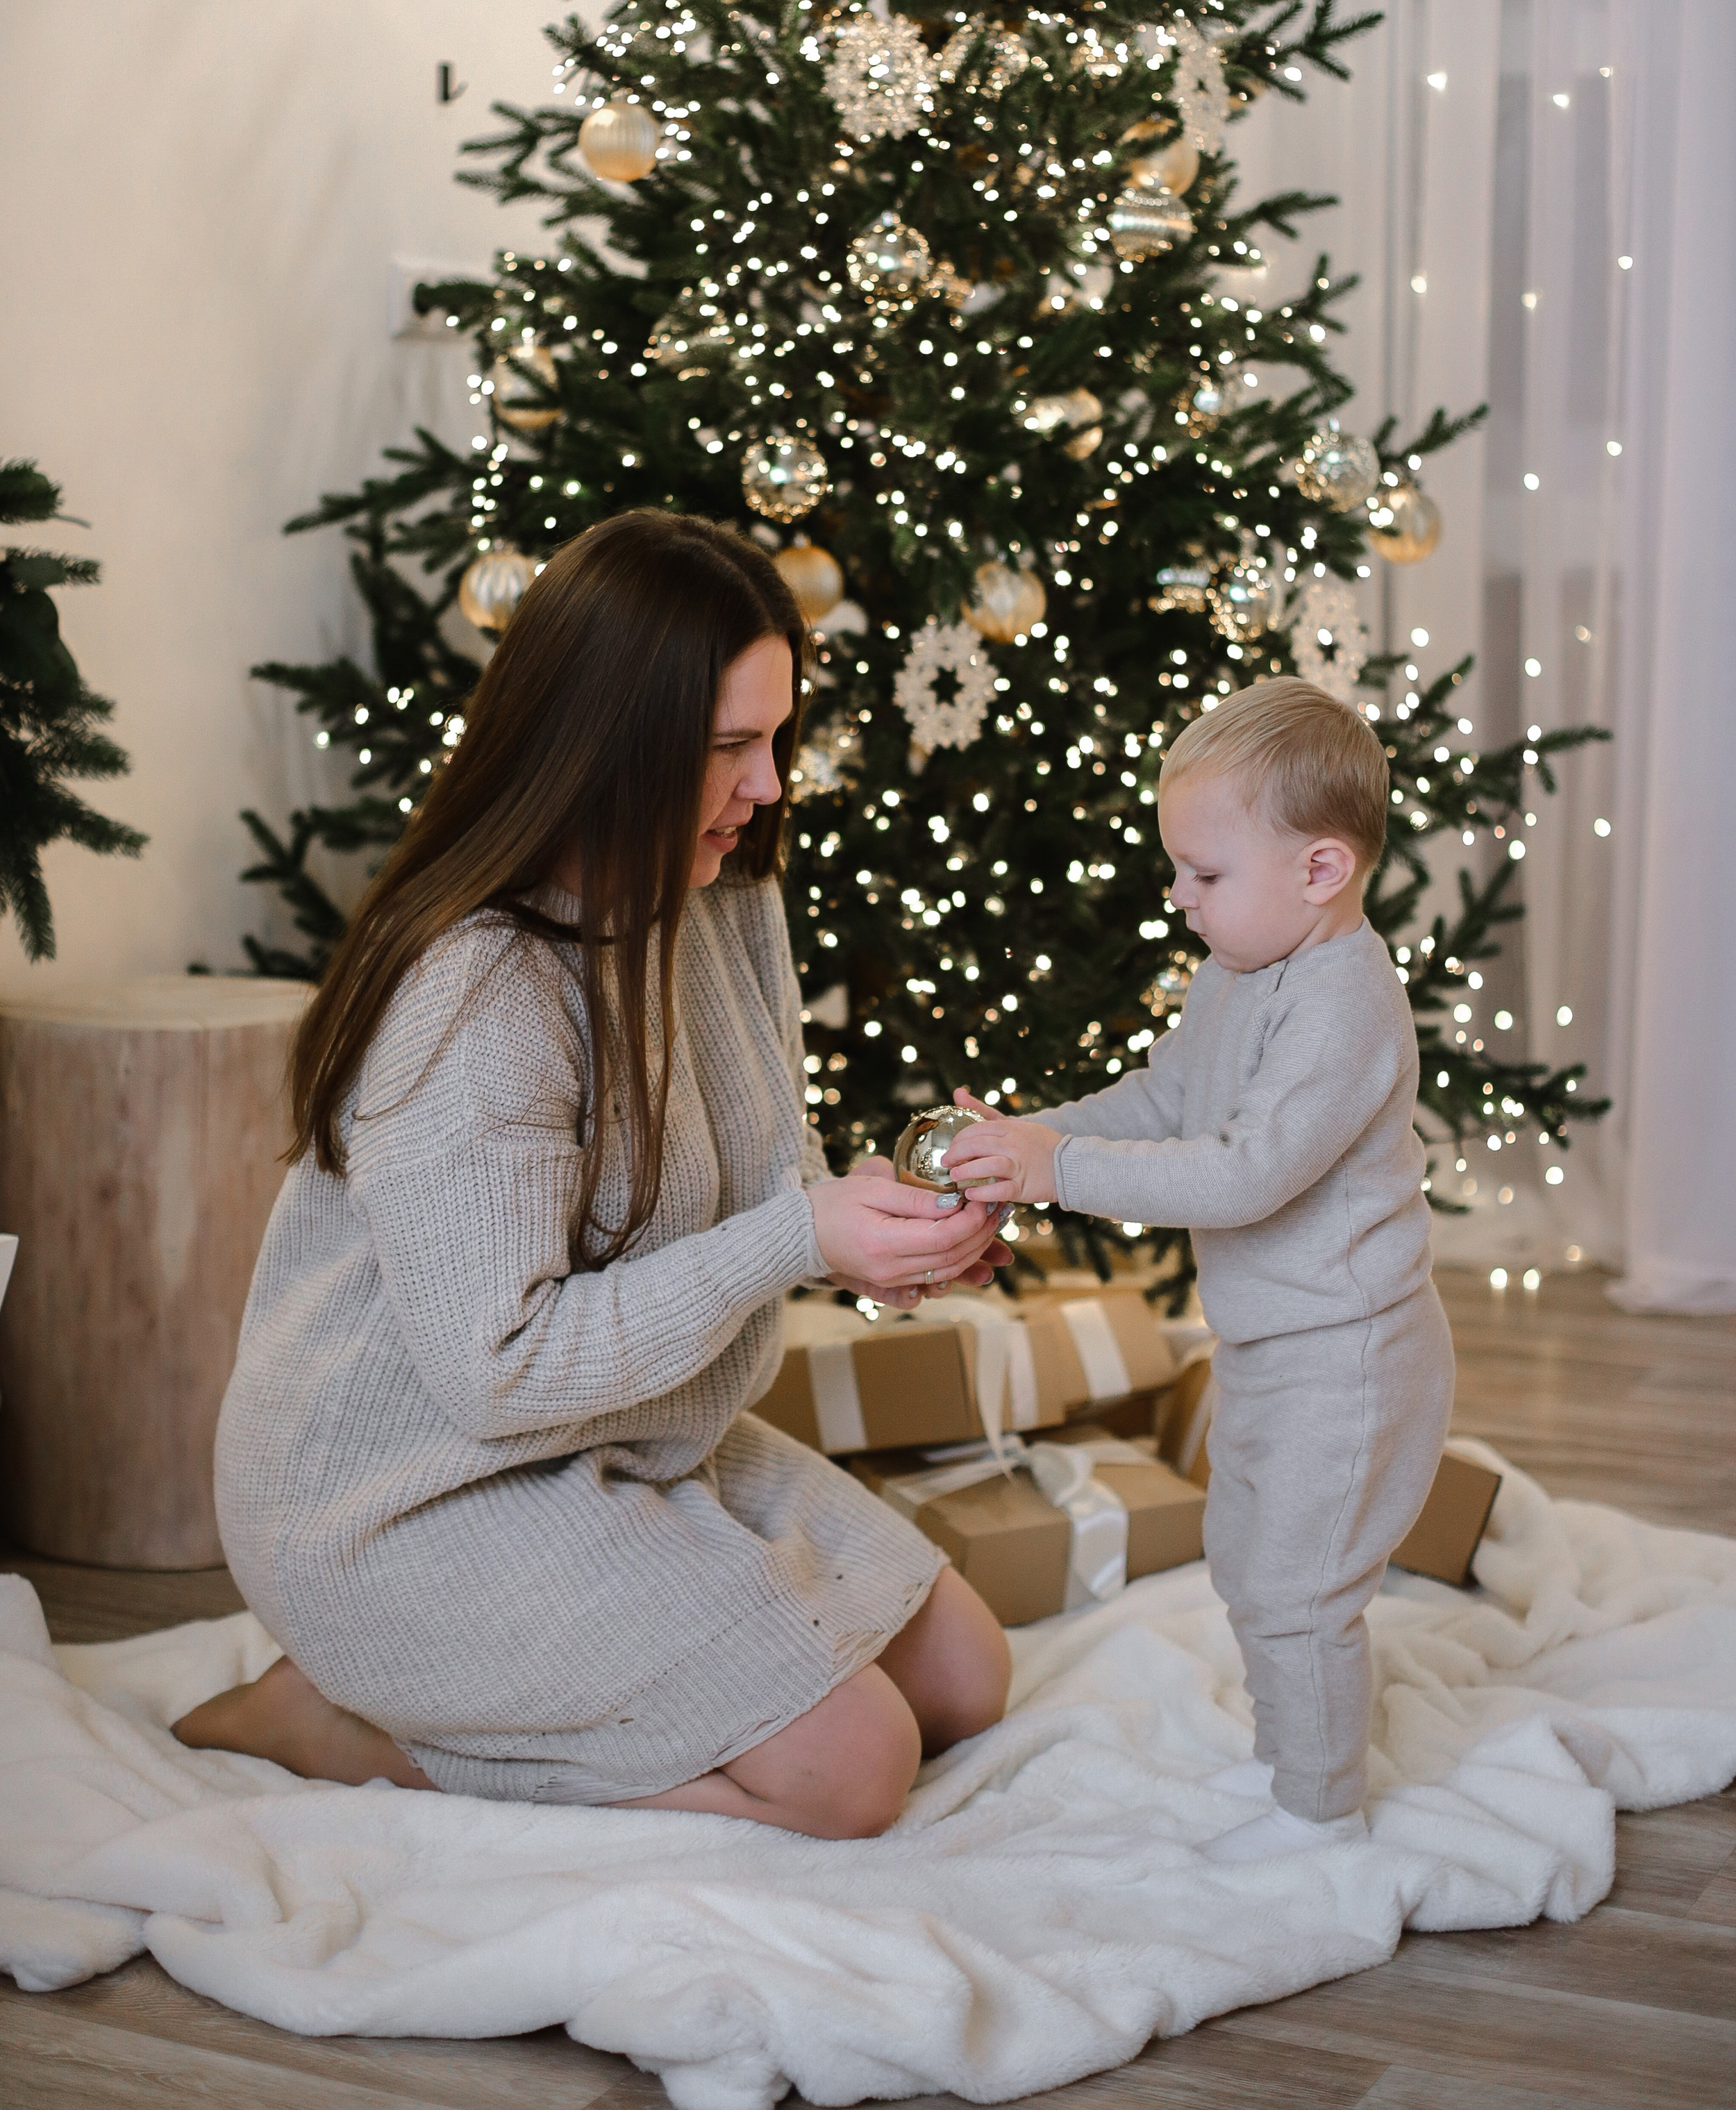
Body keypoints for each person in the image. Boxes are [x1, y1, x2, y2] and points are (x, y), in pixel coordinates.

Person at [176, 510, 1010, 1837]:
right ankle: (331, 1720)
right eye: (730, 748)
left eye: (778, 737)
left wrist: (885, 1230)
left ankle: (499, 1680)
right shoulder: (480, 987)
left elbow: (758, 1176)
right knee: (854, 1777)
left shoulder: (720, 891)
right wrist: (798, 1240)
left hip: (628, 1434)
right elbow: (500, 1374)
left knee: (969, 1676)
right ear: (606, 746)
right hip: (410, 1498)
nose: (771, 785)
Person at [942, 676, 1454, 1863]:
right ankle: (1291, 1763)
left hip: (1352, 1349)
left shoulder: (1345, 1006)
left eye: (1205, 875)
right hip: (1271, 1340)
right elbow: (1166, 1102)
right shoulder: (1235, 976)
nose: (1179, 898)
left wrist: (1057, 1168)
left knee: (1300, 1588)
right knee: (1245, 1553)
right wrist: (1023, 1140)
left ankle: (1319, 1825)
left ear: (1320, 871)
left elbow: (1241, 1175)